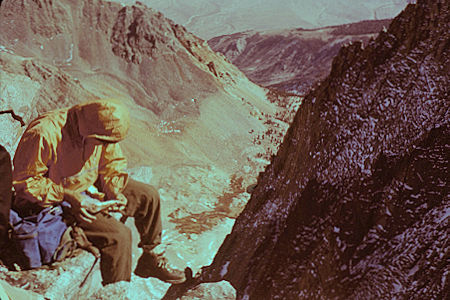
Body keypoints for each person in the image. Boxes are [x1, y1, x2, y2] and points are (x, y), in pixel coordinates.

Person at [12, 99, 185, 285]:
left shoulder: (99, 128)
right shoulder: (45, 133)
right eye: (101, 141)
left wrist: (114, 191)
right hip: (57, 200)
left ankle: (151, 258)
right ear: (89, 132)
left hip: (89, 186)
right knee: (119, 236)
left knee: (148, 196)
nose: (104, 145)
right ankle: (115, 291)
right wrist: (69, 196)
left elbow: (112, 163)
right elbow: (25, 182)